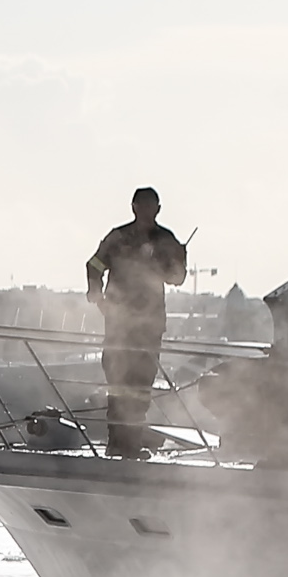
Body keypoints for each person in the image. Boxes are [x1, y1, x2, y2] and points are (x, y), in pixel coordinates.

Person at [84, 188, 189, 455]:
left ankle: (128, 442)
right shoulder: (118, 238)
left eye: (150, 207)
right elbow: (94, 264)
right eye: (142, 206)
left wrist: (179, 260)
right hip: (119, 323)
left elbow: (175, 278)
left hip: (149, 325)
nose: (146, 212)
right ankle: (118, 443)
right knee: (118, 381)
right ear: (134, 208)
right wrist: (95, 293)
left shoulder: (166, 240)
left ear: (158, 209)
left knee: (141, 385)